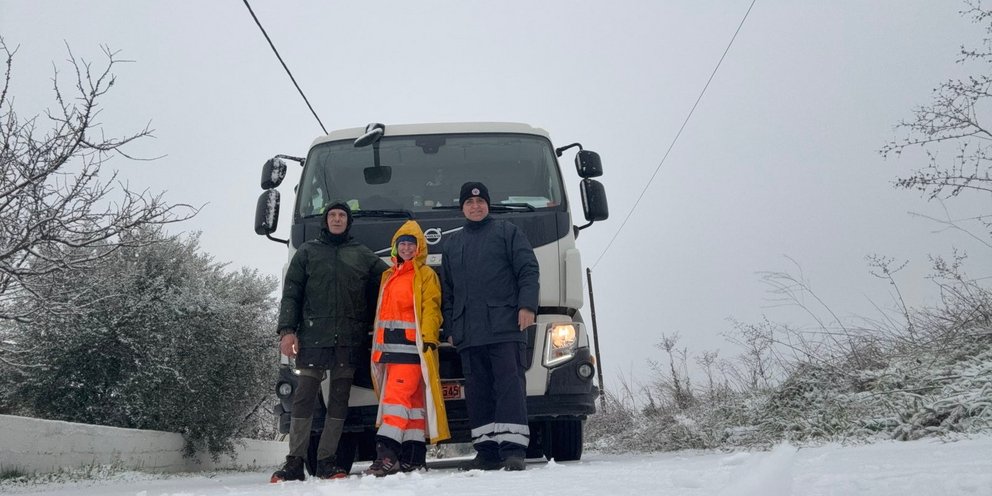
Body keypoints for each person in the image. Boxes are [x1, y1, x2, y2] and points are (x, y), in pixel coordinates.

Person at [271, 201, 389, 483]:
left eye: (342, 216)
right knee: (304, 398)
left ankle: (327, 460)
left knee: (339, 399)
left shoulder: (361, 254)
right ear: (325, 221)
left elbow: (389, 279)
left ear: (348, 221)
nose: (337, 219)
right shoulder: (307, 252)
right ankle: (294, 462)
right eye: (333, 215)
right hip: (313, 338)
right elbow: (292, 294)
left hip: (349, 338)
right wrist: (287, 331)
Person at [441, 181, 540, 472]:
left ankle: (513, 450)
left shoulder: (508, 232)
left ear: (488, 204)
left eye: (480, 202)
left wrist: (527, 306)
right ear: (462, 208)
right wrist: (451, 327)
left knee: (509, 387)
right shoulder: (452, 244)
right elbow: (448, 291)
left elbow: (528, 270)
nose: (475, 207)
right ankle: (486, 452)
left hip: (505, 326)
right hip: (469, 332)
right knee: (477, 392)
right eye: (469, 203)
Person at [365, 220, 450, 476]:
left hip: (412, 349)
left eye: (411, 244)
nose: (406, 248)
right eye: (402, 244)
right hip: (390, 351)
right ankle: (414, 458)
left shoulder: (425, 275)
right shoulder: (389, 275)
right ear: (395, 247)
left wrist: (429, 337)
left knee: (394, 401)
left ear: (419, 247)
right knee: (412, 406)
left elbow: (431, 308)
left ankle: (386, 454)